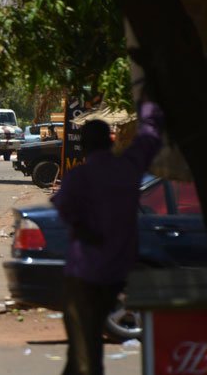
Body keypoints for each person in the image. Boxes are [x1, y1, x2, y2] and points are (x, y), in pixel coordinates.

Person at [52, 99, 163, 375]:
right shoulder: (128, 169)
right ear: (111, 141)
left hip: (84, 275)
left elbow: (64, 209)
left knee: (86, 352)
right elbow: (150, 136)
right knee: (80, 350)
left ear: (84, 147)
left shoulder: (78, 177)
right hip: (116, 274)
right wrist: (149, 97)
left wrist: (84, 229)